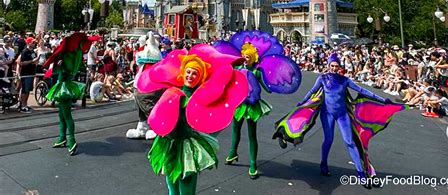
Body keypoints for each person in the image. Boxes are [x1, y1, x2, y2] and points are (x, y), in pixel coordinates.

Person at [273, 52, 406, 187]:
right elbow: (312, 91)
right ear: (329, 65)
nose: (334, 68)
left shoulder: (344, 80)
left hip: (342, 115)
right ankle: (323, 164)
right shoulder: (323, 79)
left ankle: (361, 173)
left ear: (339, 67)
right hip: (327, 113)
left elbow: (363, 90)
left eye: (337, 66)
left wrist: (383, 100)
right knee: (328, 140)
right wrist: (301, 102)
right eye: (332, 65)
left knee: (349, 142)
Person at [136, 44, 248, 195]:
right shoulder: (172, 91)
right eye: (188, 72)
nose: (190, 76)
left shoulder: (199, 96)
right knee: (171, 185)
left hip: (187, 145)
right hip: (168, 143)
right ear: (183, 72)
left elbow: (214, 117)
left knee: (187, 185)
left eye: (195, 74)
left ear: (200, 77)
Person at [213, 30, 302, 179]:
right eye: (244, 56)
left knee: (251, 135)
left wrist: (273, 87)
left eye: (248, 57)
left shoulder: (257, 72)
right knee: (236, 130)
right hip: (239, 104)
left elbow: (266, 86)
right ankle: (233, 152)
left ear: (253, 58)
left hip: (252, 105)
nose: (245, 59)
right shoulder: (238, 69)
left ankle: (253, 163)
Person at [43, 33, 100, 156]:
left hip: (63, 86)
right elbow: (81, 68)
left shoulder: (66, 55)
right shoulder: (77, 54)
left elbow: (59, 71)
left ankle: (71, 140)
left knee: (66, 115)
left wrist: (55, 66)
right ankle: (62, 137)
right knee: (62, 115)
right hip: (67, 85)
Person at [16, 37, 39, 113]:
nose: (34, 43)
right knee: (24, 90)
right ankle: (22, 106)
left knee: (28, 90)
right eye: (32, 42)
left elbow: (34, 61)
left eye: (34, 42)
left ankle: (25, 104)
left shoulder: (33, 52)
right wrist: (32, 61)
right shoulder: (25, 51)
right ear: (28, 43)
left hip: (31, 73)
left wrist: (35, 61)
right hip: (26, 73)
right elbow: (21, 62)